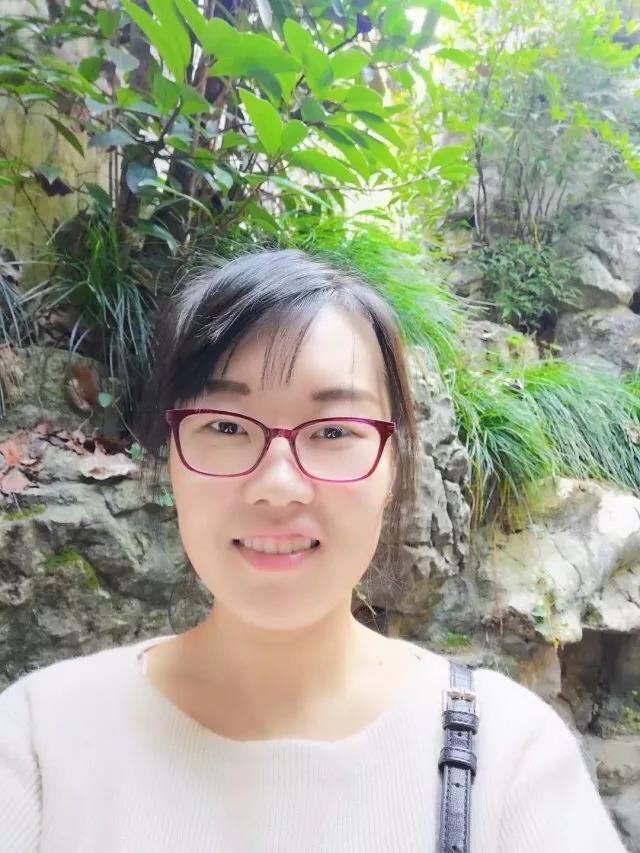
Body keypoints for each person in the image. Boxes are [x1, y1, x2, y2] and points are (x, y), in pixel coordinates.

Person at [0, 249, 627, 852]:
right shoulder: (40, 744)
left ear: (391, 467)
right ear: (172, 461)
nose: (278, 485)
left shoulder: (509, 760)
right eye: (225, 426)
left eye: (332, 431)